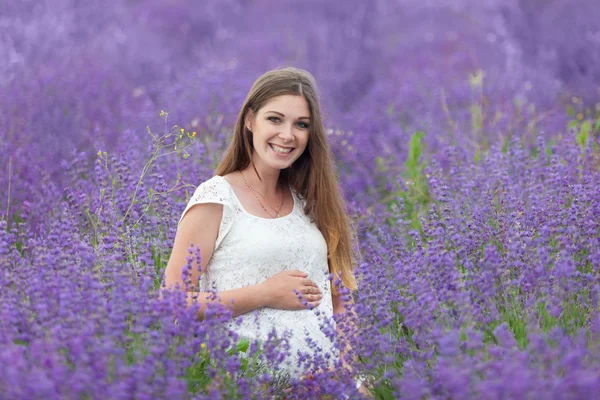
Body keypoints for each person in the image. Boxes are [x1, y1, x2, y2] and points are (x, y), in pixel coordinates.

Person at [162, 66, 368, 396]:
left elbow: (339, 297)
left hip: (328, 387)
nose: (288, 135)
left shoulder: (310, 201)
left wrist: (348, 372)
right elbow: (173, 303)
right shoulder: (217, 198)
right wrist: (264, 293)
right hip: (252, 388)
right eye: (275, 119)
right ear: (249, 120)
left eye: (301, 125)